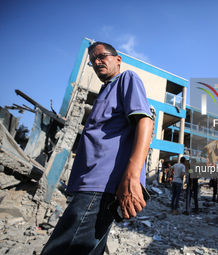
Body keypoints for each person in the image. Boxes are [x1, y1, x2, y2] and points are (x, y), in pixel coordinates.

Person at [41, 42, 153, 255]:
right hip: (91, 185)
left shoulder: (126, 79)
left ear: (118, 59)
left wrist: (131, 177)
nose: (97, 62)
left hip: (101, 187)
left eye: (102, 56)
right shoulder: (105, 90)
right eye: (93, 60)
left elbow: (145, 123)